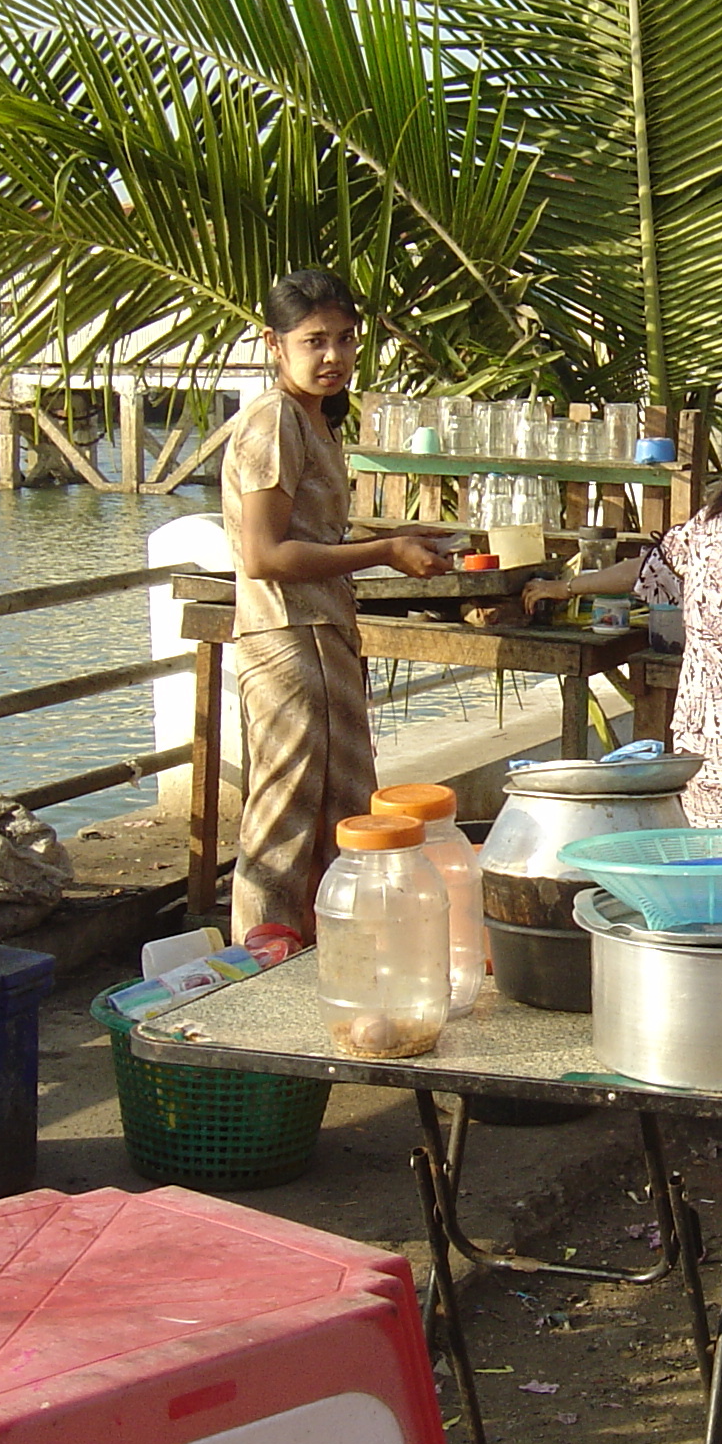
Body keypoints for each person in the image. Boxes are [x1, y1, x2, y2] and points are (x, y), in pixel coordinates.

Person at [222, 269, 452, 941]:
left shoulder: (314, 421)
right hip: (286, 639)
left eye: (345, 340)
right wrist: (383, 554)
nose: (333, 356)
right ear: (274, 343)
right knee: (284, 821)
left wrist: (396, 539)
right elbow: (264, 554)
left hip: (325, 636)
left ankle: (328, 957)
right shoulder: (274, 420)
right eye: (314, 341)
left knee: (343, 816)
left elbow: (312, 539)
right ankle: (257, 967)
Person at [528, 386, 722, 826]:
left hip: (696, 740)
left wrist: (567, 587)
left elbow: (644, 569)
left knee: (715, 875)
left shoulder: (708, 522)